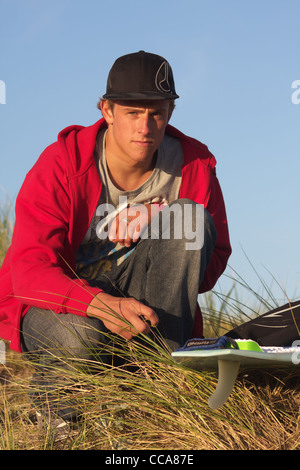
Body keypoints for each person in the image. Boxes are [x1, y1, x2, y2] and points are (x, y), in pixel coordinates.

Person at [0, 51, 231, 424]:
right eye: (132, 113)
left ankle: (158, 389)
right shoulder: (62, 163)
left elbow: (211, 261)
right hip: (61, 306)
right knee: (81, 333)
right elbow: (27, 272)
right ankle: (56, 416)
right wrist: (102, 304)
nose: (145, 127)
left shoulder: (194, 165)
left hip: (144, 302)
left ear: (170, 112)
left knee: (188, 216)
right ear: (106, 111)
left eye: (155, 112)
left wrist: (162, 218)